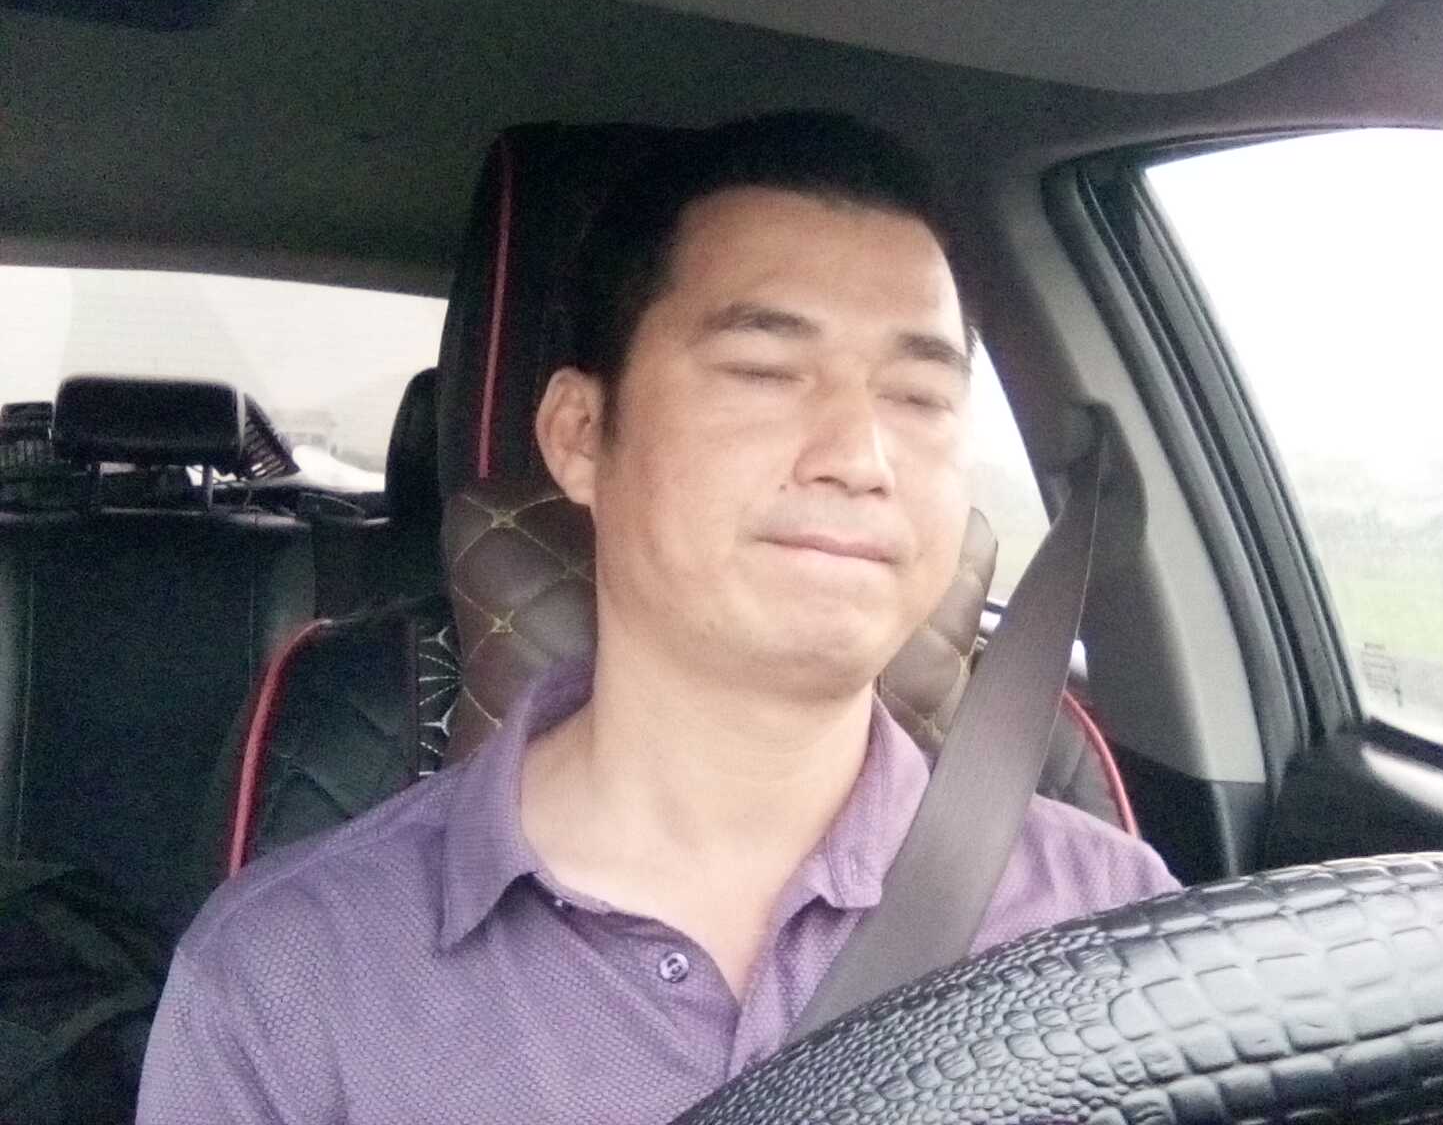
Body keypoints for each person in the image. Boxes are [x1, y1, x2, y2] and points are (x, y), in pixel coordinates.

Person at [136, 113, 1178, 1123]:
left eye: (917, 397)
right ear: (580, 434)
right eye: (764, 373)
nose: (860, 459)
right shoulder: (287, 983)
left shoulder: (1107, 923)